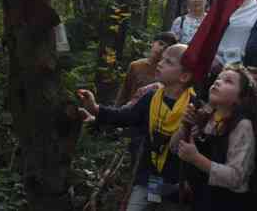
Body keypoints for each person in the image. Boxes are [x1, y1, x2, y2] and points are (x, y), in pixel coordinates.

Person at [78, 44, 194, 211]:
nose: (160, 63)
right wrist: (95, 108)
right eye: (161, 60)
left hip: (179, 182)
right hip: (151, 177)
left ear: (184, 76)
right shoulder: (150, 97)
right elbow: (125, 117)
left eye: (168, 62)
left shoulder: (193, 108)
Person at [171, 65, 257, 211]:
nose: (217, 82)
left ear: (241, 98)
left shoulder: (242, 126)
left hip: (224, 204)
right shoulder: (205, 116)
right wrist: (184, 126)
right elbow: (174, 148)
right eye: (218, 78)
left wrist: (196, 158)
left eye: (228, 81)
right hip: (199, 200)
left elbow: (237, 178)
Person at [116, 32, 178, 106]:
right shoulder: (136, 66)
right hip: (130, 109)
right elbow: (124, 92)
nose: (161, 49)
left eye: (166, 48)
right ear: (153, 43)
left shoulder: (167, 72)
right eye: (160, 44)